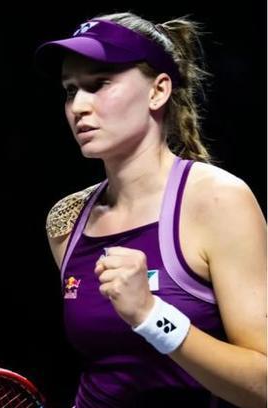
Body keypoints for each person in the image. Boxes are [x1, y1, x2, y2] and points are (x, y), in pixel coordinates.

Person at [36, 12, 266, 408]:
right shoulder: (66, 219)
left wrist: (151, 314)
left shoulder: (219, 201)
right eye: (70, 90)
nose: (79, 106)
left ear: (158, 91)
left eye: (99, 84)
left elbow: (263, 386)